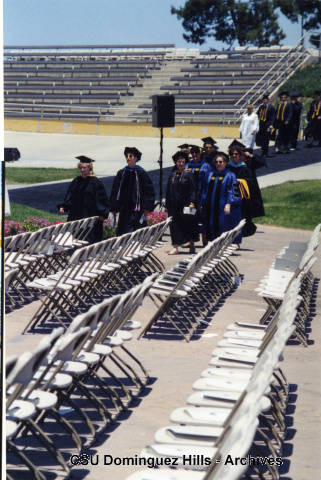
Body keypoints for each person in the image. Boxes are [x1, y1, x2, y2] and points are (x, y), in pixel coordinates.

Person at [58, 155, 109, 243]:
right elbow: (70, 195)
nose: (82, 170)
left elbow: (101, 199)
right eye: (81, 168)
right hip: (76, 215)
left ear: (90, 168)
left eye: (84, 168)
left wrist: (102, 213)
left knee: (89, 237)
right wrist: (64, 206)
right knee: (76, 237)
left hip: (90, 215)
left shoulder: (96, 182)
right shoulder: (76, 181)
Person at [109, 147, 155, 236]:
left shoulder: (141, 173)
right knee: (122, 231)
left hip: (137, 208)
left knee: (134, 231)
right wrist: (114, 207)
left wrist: (146, 208)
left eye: (131, 156)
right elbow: (115, 190)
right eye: (127, 156)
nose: (128, 158)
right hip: (124, 208)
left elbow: (148, 191)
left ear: (136, 158)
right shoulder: (122, 173)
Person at [200, 152, 242, 245]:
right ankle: (213, 245)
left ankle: (223, 245)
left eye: (221, 162)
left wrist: (229, 203)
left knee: (222, 225)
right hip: (210, 207)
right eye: (217, 162)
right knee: (210, 224)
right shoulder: (210, 175)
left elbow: (234, 191)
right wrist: (202, 202)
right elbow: (204, 190)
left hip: (222, 206)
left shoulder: (230, 175)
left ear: (226, 163)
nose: (218, 164)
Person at [228, 141, 265, 237]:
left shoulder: (246, 167)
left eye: (236, 154)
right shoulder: (228, 167)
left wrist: (241, 182)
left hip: (243, 199)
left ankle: (237, 239)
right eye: (232, 154)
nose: (234, 156)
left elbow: (250, 182)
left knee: (242, 219)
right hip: (230, 198)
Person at [165, 151, 199, 255]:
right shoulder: (172, 175)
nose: (180, 164)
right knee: (174, 226)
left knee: (188, 225)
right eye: (178, 162)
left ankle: (191, 244)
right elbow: (168, 190)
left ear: (185, 163)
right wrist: (167, 205)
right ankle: (175, 247)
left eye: (182, 162)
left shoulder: (189, 174)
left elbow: (194, 190)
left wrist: (192, 202)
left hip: (186, 204)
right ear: (175, 162)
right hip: (173, 205)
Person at [256, 94, 276, 159]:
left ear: (268, 100)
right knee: (262, 138)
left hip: (268, 125)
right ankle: (263, 152)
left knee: (266, 138)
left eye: (265, 100)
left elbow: (273, 117)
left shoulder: (271, 107)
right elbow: (257, 114)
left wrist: (271, 125)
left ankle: (266, 152)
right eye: (263, 100)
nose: (264, 101)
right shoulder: (261, 107)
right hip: (261, 124)